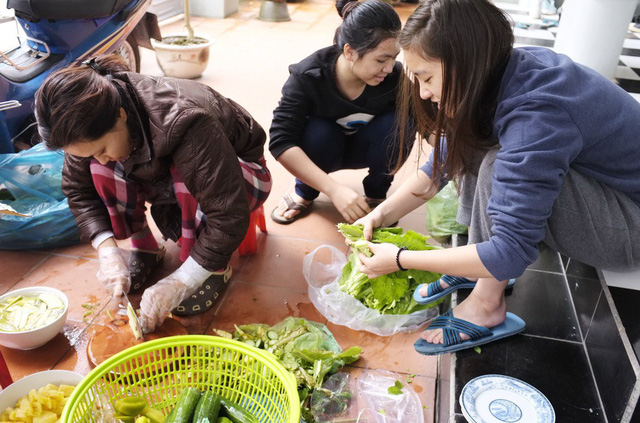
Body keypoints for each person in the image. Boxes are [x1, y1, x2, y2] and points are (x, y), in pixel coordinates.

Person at [354, 0, 640, 355]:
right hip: (609, 193)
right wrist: (382, 213)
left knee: (497, 163)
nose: (424, 92)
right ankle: (476, 269)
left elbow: (511, 251)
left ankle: (487, 305)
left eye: (427, 77)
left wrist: (400, 259)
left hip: (631, 224)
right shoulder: (506, 69)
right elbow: (440, 167)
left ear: (465, 63)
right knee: (472, 141)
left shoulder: (537, 116)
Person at [35, 55, 271, 332]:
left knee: (188, 177)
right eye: (89, 153)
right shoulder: (86, 126)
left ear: (120, 115)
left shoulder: (185, 119)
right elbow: (78, 190)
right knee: (99, 170)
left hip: (242, 179)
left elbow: (228, 213)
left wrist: (184, 280)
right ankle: (144, 247)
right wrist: (106, 250)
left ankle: (212, 269)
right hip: (162, 175)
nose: (99, 157)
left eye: (100, 149)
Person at [269, 0, 415, 224]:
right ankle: (305, 190)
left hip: (365, 149)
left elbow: (427, 123)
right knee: (318, 131)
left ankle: (376, 194)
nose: (389, 68)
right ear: (350, 51)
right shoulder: (308, 77)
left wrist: (454, 162)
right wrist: (334, 190)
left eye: (394, 57)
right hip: (321, 150)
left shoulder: (392, 77)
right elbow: (280, 141)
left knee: (401, 122)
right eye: (380, 60)